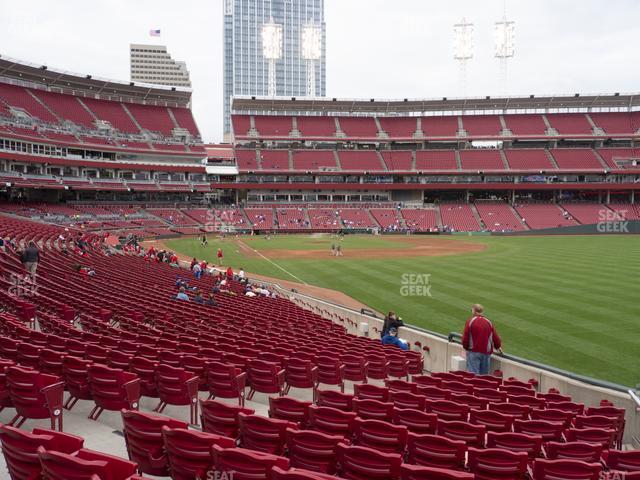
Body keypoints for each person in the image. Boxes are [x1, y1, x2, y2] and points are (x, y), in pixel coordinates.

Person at [462, 304, 503, 375]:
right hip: (486, 353)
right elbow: (495, 337)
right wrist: (498, 346)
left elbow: (465, 337)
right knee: (484, 377)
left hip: (473, 352)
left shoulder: (470, 321)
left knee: (473, 376)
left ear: (474, 311)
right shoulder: (488, 322)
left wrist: (466, 347)